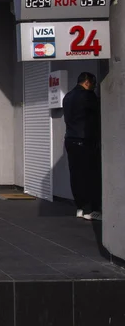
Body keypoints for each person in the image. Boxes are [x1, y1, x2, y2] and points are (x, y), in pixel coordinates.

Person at [63, 72, 102, 221]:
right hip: (84, 141)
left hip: (70, 140)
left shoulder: (67, 96)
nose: (94, 87)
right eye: (94, 84)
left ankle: (80, 208)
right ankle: (91, 210)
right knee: (90, 175)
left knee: (76, 175)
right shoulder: (87, 96)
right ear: (87, 82)